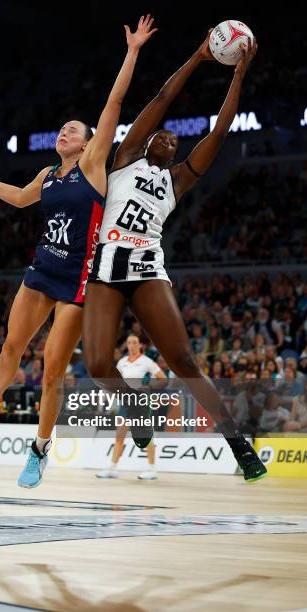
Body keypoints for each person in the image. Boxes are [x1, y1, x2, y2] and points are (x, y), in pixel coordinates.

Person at [0, 16, 157, 488]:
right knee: (12, 346)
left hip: (79, 279)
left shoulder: (95, 164)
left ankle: (39, 450)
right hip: (42, 269)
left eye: (72, 130)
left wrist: (133, 51)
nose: (65, 132)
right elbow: (19, 198)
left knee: (53, 368)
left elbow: (115, 101)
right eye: (62, 129)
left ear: (87, 142)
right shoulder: (47, 175)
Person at [83, 32, 267, 481]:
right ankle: (139, 415)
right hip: (107, 264)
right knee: (96, 364)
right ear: (146, 143)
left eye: (172, 139)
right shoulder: (125, 156)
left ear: (175, 154)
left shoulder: (179, 180)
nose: (166, 136)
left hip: (147, 267)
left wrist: (238, 74)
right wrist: (199, 57)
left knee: (184, 361)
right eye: (160, 135)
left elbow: (220, 130)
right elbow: (164, 97)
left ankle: (238, 446)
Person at [96, 334, 166, 480]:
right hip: (126, 401)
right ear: (127, 345)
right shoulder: (121, 362)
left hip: (141, 401)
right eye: (129, 343)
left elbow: (163, 379)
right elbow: (115, 381)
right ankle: (112, 468)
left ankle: (152, 469)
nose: (132, 345)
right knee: (120, 434)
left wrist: (148, 386)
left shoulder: (147, 361)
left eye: (134, 342)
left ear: (140, 345)